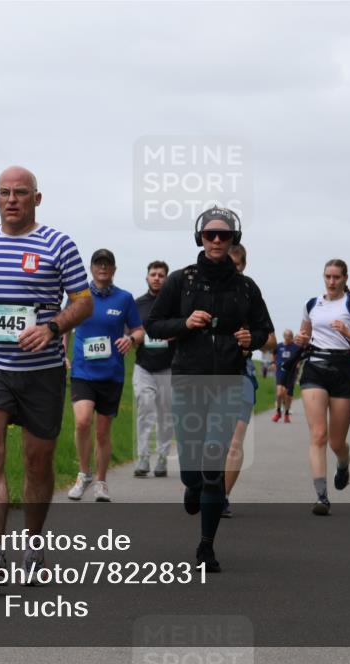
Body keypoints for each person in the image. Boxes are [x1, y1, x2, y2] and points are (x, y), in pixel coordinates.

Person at [0, 166, 93, 578]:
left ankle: (33, 544)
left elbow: (83, 302)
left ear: (37, 198)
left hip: (42, 372)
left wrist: (51, 328)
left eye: (20, 192)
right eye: (4, 192)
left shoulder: (59, 244)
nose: (11, 200)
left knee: (37, 461)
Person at [146, 207, 273, 572]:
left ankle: (206, 546)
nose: (216, 240)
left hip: (228, 381)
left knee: (214, 463)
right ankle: (192, 484)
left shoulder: (246, 287)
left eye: (224, 235)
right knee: (192, 467)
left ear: (234, 239)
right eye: (209, 234)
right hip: (189, 379)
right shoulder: (180, 281)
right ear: (199, 238)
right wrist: (185, 323)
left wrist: (251, 339)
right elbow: (153, 325)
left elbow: (264, 331)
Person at [294, 259, 350, 516]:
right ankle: (321, 496)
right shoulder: (312, 304)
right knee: (318, 435)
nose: (331, 281)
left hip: (343, 370)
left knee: (336, 442)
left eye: (336, 277)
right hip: (315, 368)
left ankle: (343, 462)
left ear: (345, 279)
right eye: (327, 277)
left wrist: (349, 333)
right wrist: (300, 339)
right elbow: (304, 336)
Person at [66, 249, 144, 502]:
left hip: (111, 373)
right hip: (83, 371)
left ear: (114, 269)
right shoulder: (78, 296)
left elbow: (139, 330)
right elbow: (65, 325)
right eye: (98, 263)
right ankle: (83, 473)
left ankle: (101, 481)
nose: (102, 268)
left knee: (102, 432)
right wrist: (62, 354)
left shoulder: (124, 298)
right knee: (82, 422)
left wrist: (130, 339)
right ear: (91, 268)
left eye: (107, 264)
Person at [222, 243, 276, 518]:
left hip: (241, 373)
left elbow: (271, 340)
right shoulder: (201, 290)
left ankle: (222, 497)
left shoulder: (250, 293)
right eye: (228, 263)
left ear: (244, 265)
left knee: (235, 441)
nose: (232, 269)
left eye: (237, 264)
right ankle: (203, 488)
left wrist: (251, 339)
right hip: (207, 373)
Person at [132, 260, 176, 478]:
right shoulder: (137, 304)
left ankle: (162, 457)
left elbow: (183, 328)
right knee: (145, 407)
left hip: (168, 368)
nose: (157, 278)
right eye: (153, 274)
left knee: (165, 415)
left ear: (166, 279)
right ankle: (143, 457)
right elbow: (129, 330)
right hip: (144, 366)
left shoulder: (174, 304)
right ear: (147, 277)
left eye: (161, 275)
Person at [270, 330, 300, 422]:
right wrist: (273, 363)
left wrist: (298, 363)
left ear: (292, 336)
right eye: (287, 336)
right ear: (284, 336)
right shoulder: (279, 346)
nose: (288, 338)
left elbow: (299, 357)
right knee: (279, 393)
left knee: (287, 395)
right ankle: (278, 412)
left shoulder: (296, 347)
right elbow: (273, 354)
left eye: (290, 336)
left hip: (291, 373)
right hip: (280, 371)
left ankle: (286, 414)